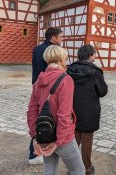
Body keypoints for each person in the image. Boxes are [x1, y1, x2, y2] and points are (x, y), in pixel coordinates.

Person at [27, 45, 85, 175]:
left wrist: (35, 136)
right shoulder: (66, 80)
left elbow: (31, 111)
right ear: (61, 59)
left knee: (49, 170)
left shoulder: (38, 81)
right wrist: (59, 142)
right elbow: (64, 114)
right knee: (78, 170)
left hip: (45, 133)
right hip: (63, 137)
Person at [67, 45, 108, 175]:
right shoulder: (95, 72)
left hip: (73, 108)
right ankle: (87, 168)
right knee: (87, 140)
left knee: (75, 139)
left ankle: (73, 168)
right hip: (89, 110)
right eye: (94, 54)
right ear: (90, 56)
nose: (95, 56)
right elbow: (102, 91)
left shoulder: (70, 69)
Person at [29, 27, 63, 165]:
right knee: (47, 119)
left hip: (37, 85)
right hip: (48, 89)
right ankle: (38, 152)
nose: (61, 39)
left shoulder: (37, 48)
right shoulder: (51, 51)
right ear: (53, 38)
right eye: (60, 37)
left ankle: (34, 153)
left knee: (38, 117)